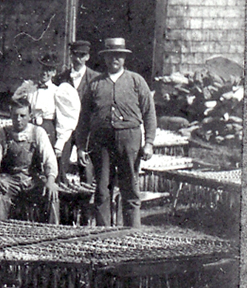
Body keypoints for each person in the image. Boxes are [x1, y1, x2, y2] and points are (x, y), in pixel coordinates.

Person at [74, 37, 157, 228]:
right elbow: (83, 119)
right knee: (102, 189)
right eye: (111, 56)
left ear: (124, 58)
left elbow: (149, 114)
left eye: (118, 56)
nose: (114, 60)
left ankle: (132, 232)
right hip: (101, 142)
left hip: (129, 141)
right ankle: (104, 232)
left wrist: (149, 143)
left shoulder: (137, 81)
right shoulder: (95, 84)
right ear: (105, 58)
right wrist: (80, 147)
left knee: (130, 187)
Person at [0, 99, 60, 224]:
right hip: (10, 180)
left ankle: (54, 233)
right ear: (10, 115)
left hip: (32, 180)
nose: (18, 119)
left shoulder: (38, 133)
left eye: (22, 116)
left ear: (30, 116)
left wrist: (51, 181)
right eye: (15, 116)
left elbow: (49, 159)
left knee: (52, 194)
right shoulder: (2, 133)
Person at [19, 54, 80, 180]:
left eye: (48, 70)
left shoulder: (57, 91)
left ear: (53, 73)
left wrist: (60, 141)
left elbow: (65, 118)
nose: (44, 73)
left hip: (48, 128)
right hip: (31, 127)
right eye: (42, 68)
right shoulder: (30, 89)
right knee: (29, 161)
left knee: (47, 161)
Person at [56, 40, 100, 182]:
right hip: (66, 129)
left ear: (87, 57)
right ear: (71, 56)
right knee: (59, 166)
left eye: (82, 55)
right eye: (76, 55)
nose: (79, 59)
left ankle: (84, 203)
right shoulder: (61, 78)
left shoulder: (96, 79)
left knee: (86, 170)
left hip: (86, 131)